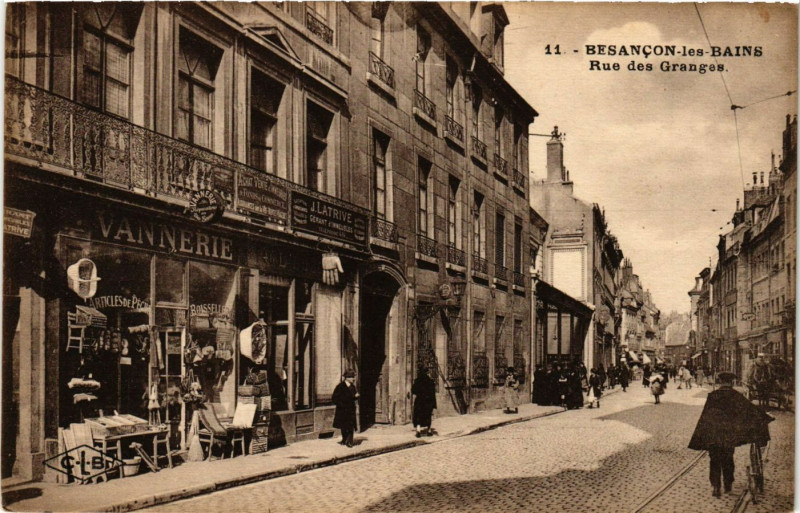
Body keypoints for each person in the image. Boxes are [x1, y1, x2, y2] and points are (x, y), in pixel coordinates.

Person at [689, 372, 774, 497]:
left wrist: (704, 435)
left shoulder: (713, 396)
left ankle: (716, 486)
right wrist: (766, 416)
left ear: (720, 382)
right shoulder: (735, 396)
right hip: (729, 435)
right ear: (732, 382)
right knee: (728, 459)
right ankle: (728, 484)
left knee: (714, 460)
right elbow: (750, 410)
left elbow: (706, 416)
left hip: (714, 435)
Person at [332, 370, 359, 447]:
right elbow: (334, 398)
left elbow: (352, 397)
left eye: (353, 377)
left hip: (350, 410)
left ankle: (350, 441)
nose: (353, 379)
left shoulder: (352, 386)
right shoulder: (340, 387)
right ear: (347, 378)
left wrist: (356, 397)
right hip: (342, 410)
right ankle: (344, 440)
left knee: (351, 426)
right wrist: (341, 404)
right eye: (352, 377)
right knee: (343, 426)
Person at [411, 366, 437, 437]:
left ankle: (418, 430)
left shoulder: (417, 381)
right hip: (428, 401)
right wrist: (434, 404)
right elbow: (432, 393)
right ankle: (428, 431)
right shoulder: (430, 381)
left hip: (419, 401)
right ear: (427, 372)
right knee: (428, 416)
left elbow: (413, 390)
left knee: (418, 415)